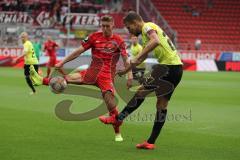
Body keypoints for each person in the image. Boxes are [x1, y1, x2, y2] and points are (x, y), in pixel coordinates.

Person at [29, 15, 133, 142]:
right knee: (64, 80)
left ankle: (117, 132)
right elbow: (78, 51)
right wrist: (62, 62)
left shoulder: (118, 40)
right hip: (91, 73)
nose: (105, 28)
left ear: (113, 26)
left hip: (106, 76)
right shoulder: (94, 37)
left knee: (111, 105)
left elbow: (126, 60)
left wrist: (130, 76)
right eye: (103, 25)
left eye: (107, 26)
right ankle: (41, 80)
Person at [99, 11, 183, 149]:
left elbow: (155, 41)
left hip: (166, 67)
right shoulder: (145, 36)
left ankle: (118, 119)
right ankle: (150, 142)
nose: (129, 31)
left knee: (140, 92)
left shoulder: (147, 27)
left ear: (135, 22)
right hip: (177, 69)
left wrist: (136, 58)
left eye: (128, 27)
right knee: (161, 105)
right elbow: (142, 57)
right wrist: (126, 71)